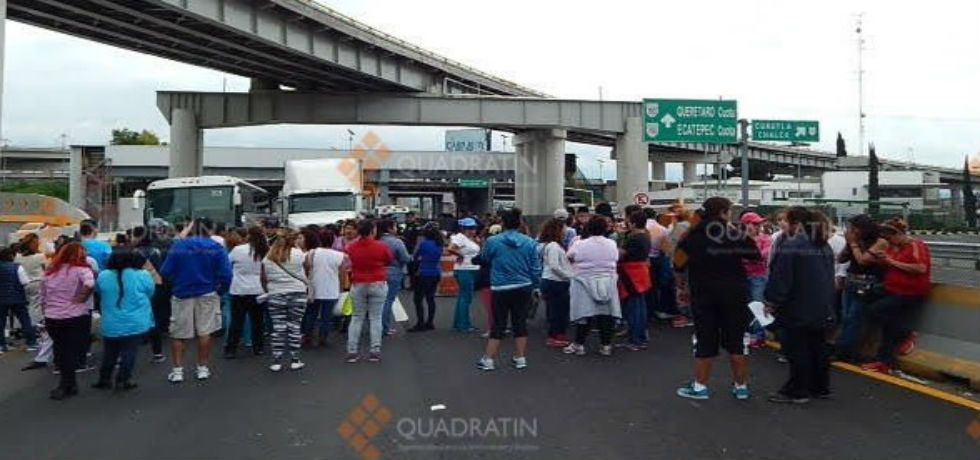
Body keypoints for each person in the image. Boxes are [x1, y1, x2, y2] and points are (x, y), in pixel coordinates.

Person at [675, 197, 761, 401]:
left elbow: (678, 263)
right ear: (724, 212)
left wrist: (681, 287)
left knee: (705, 339)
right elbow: (755, 255)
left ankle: (700, 387)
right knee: (736, 340)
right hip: (734, 293)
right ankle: (741, 387)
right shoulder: (732, 233)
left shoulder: (691, 235)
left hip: (703, 293)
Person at [764, 207, 835, 404]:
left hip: (798, 305)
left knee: (797, 349)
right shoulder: (823, 244)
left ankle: (797, 390)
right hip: (822, 305)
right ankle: (820, 387)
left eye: (785, 220)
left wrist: (771, 301)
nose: (782, 224)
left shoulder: (792, 245)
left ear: (795, 223)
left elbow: (781, 278)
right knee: (818, 348)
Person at [160, 218, 233, 383]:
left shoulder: (179, 246)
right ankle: (202, 368)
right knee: (205, 331)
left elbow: (165, 271)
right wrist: (220, 290)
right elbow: (227, 274)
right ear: (210, 229)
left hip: (182, 292)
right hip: (208, 292)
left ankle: (177, 371)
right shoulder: (215, 247)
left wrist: (176, 282)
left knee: (178, 332)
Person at [860, 218, 931, 374]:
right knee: (886, 326)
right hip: (892, 289)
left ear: (898, 234)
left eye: (890, 237)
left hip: (909, 292)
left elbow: (920, 268)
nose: (889, 241)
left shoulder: (915, 245)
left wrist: (891, 261)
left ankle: (906, 333)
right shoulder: (895, 248)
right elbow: (891, 265)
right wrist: (882, 260)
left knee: (875, 311)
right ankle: (884, 361)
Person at [477, 208, 541, 371]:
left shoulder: (493, 241)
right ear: (519, 223)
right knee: (520, 322)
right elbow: (535, 267)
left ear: (503, 223)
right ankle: (520, 357)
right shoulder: (530, 242)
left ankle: (489, 359)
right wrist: (536, 285)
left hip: (500, 286)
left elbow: (484, 258)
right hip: (523, 286)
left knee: (498, 323)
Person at [92, 248, 155, 391]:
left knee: (109, 352)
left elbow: (98, 292)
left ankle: (104, 379)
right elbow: (150, 292)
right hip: (136, 321)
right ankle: (123, 379)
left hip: (111, 322)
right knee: (129, 352)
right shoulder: (142, 275)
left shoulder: (103, 276)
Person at [40, 242, 95, 400]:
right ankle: (67, 384)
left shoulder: (50, 271)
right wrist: (81, 298)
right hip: (74, 315)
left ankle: (68, 383)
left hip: (53, 316)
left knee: (60, 348)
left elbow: (43, 295)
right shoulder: (82, 270)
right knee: (71, 351)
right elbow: (90, 283)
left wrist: (46, 311)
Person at [562, 215, 622, 357]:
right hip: (607, 280)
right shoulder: (611, 243)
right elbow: (616, 258)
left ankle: (579, 345)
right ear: (605, 228)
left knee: (584, 315)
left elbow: (568, 257)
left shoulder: (580, 244)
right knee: (606, 314)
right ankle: (606, 345)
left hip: (584, 280)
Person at [835, 214, 889, 363]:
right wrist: (848, 245)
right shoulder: (855, 242)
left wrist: (853, 244)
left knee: (855, 317)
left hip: (867, 282)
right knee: (846, 316)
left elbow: (863, 260)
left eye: (853, 228)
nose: (851, 231)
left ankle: (845, 349)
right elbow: (841, 259)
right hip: (851, 280)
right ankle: (843, 346)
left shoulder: (880, 242)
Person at [344, 220, 393, 363]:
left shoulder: (351, 247)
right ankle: (375, 351)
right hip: (378, 281)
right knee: (375, 317)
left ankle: (352, 351)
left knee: (357, 317)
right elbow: (389, 260)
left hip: (358, 282)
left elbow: (349, 262)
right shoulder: (381, 246)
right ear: (372, 231)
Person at [262, 229, 309, 372]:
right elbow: (307, 270)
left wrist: (268, 290)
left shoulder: (268, 257)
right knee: (295, 326)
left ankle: (276, 361)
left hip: (276, 294)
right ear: (292, 240)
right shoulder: (299, 254)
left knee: (278, 327)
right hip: (298, 293)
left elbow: (263, 278)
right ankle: (295, 360)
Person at [225, 226, 268, 358]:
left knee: (237, 321)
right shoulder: (265, 250)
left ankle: (231, 349)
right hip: (259, 289)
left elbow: (227, 263)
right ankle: (258, 348)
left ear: (249, 236)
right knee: (258, 321)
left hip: (239, 289)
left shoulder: (238, 250)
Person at [304, 228, 347, 345]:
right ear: (333, 240)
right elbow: (342, 275)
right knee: (326, 317)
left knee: (311, 314)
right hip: (331, 289)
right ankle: (323, 338)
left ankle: (308, 336)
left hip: (314, 289)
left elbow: (306, 270)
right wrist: (341, 289)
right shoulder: (340, 255)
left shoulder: (311, 253)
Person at [618, 211, 653, 351]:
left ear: (633, 223)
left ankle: (635, 339)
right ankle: (641, 336)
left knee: (633, 307)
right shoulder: (645, 235)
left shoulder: (634, 238)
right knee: (640, 306)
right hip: (641, 272)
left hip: (631, 273)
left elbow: (622, 254)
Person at [539, 218, 574, 348]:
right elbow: (554, 266)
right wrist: (569, 276)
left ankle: (558, 335)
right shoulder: (553, 246)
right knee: (557, 311)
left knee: (558, 310)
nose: (565, 231)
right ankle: (554, 336)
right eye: (563, 228)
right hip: (555, 281)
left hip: (554, 281)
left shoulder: (552, 245)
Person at [741, 212, 773, 348]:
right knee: (745, 305)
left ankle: (759, 334)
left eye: (758, 223)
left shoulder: (766, 238)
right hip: (742, 276)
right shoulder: (738, 238)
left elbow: (762, 255)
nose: (758, 226)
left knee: (758, 304)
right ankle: (748, 332)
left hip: (758, 276)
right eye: (754, 223)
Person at [0, 247, 37, 352]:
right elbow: (25, 281)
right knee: (24, 320)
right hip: (18, 298)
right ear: (11, 256)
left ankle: (1, 345)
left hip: (1, 299)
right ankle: (31, 342)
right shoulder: (17, 267)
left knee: (1, 322)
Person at [377, 220, 410, 336]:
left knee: (377, 300)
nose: (396, 228)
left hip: (377, 272)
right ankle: (384, 327)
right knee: (388, 300)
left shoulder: (376, 240)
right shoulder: (396, 242)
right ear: (389, 228)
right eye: (395, 226)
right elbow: (405, 258)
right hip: (393, 272)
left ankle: (376, 326)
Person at [449, 218, 481, 333]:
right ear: (463, 228)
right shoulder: (460, 237)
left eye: (474, 228)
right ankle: (464, 325)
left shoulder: (469, 238)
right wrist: (461, 255)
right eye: (469, 228)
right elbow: (450, 248)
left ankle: (460, 323)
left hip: (469, 269)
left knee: (463, 297)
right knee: (466, 297)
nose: (472, 230)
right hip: (465, 269)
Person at [409, 224, 443, 332]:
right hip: (435, 272)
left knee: (418, 299)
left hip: (423, 272)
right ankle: (430, 322)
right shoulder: (439, 244)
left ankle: (420, 323)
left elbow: (415, 257)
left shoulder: (423, 244)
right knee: (430, 298)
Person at [665, 208, 694, 328]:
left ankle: (686, 315)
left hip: (680, 263)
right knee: (688, 289)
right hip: (689, 264)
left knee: (681, 289)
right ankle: (689, 315)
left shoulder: (680, 227)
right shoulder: (690, 226)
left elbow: (673, 245)